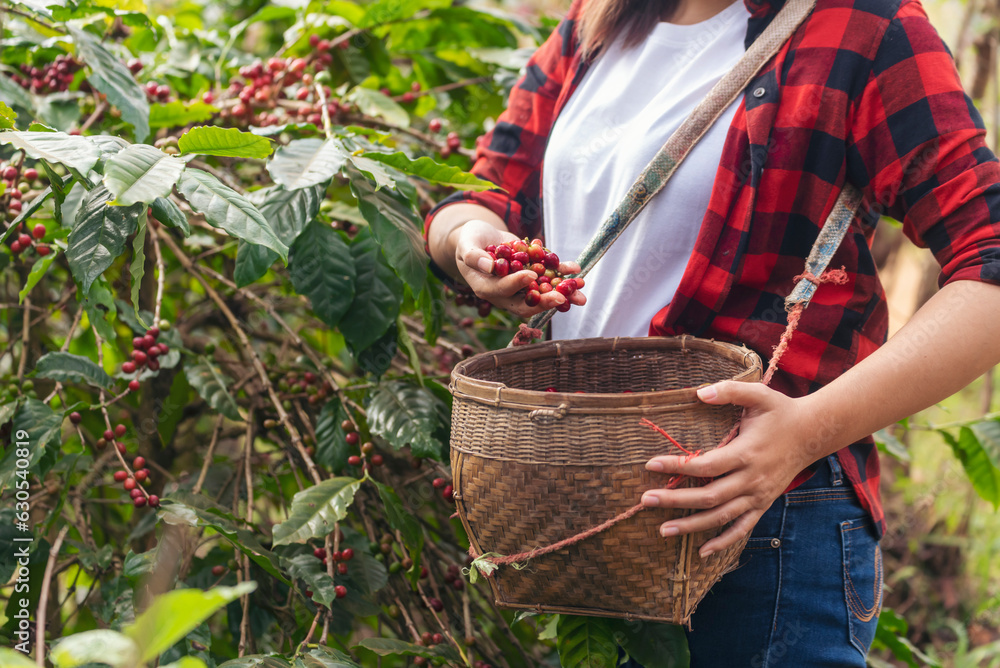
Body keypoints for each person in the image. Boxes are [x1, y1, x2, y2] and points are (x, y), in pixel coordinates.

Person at [424, 0, 1000, 664]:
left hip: (761, 519)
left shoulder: (865, 27)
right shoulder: (599, 19)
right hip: (590, 515)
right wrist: (475, 244)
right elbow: (480, 192)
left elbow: (987, 264)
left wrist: (806, 430)